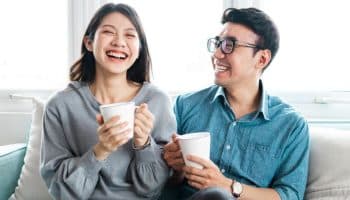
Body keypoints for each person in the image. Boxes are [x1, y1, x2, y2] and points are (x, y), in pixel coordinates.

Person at [163, 7, 309, 200]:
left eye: (229, 45)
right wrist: (175, 169)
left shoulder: (291, 126)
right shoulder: (185, 106)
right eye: (218, 43)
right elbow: (162, 183)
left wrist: (228, 186)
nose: (216, 54)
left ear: (262, 58)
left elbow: (289, 195)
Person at [40, 3, 176, 200]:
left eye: (130, 35)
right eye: (108, 32)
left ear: (139, 49)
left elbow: (154, 189)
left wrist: (144, 143)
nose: (119, 42)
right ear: (89, 42)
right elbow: (61, 192)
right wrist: (100, 151)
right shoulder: (59, 105)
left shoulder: (157, 101)